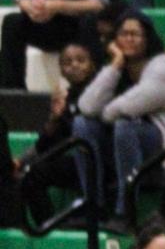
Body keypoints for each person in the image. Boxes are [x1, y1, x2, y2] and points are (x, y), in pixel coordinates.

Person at [72, 9, 165, 229]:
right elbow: (86, 107)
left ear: (147, 38)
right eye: (123, 33)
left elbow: (121, 110)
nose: (129, 39)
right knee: (82, 125)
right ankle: (94, 205)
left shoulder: (162, 68)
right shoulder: (116, 68)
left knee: (124, 126)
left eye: (135, 34)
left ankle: (125, 212)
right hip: (128, 153)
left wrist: (106, 112)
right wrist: (116, 65)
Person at [18, 37, 102, 222]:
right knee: (31, 173)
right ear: (62, 71)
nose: (75, 66)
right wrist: (53, 121)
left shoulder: (101, 91)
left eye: (81, 60)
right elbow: (47, 146)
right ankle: (48, 225)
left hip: (101, 162)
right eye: (68, 62)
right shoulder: (68, 98)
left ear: (92, 64)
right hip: (78, 162)